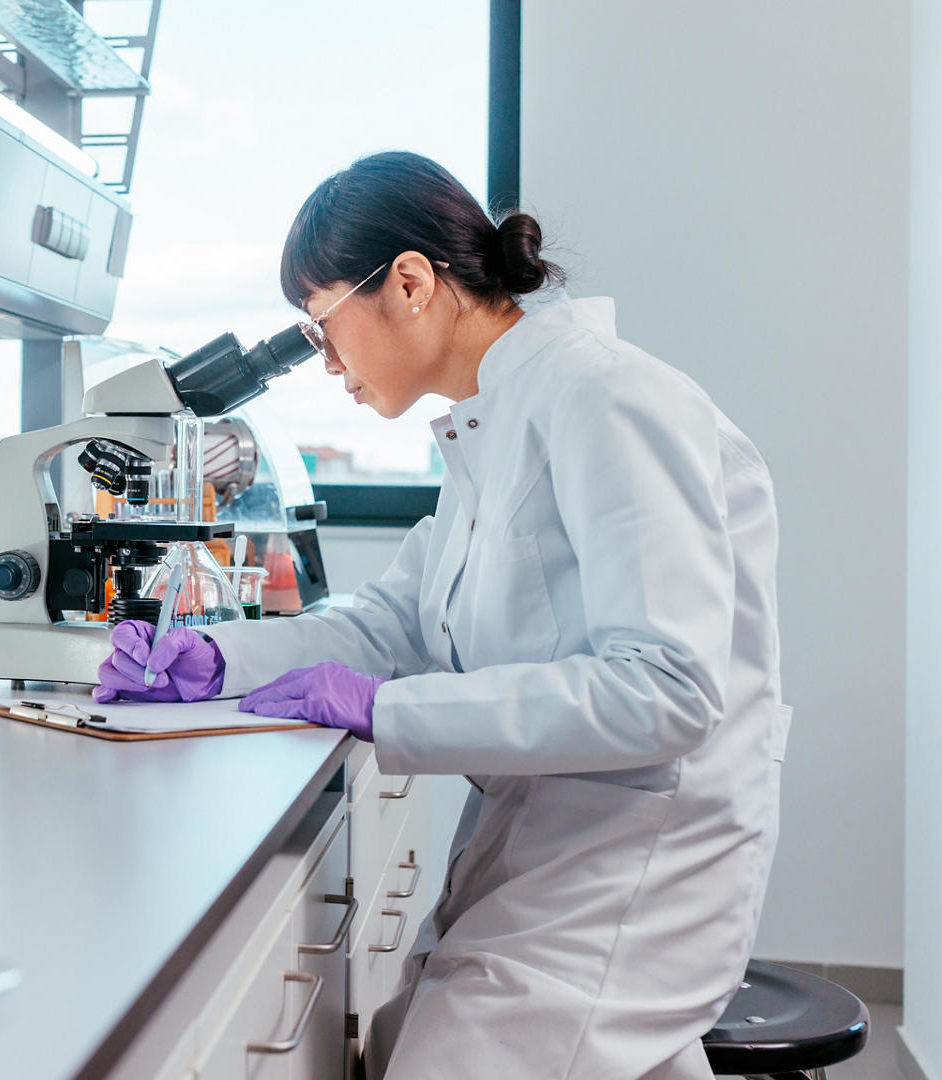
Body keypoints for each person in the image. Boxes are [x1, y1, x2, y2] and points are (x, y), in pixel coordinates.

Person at [97, 151, 785, 1080]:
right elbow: (392, 626)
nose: (326, 360)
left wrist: (389, 712)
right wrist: (221, 658)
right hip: (545, 841)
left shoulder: (606, 398)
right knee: (396, 1042)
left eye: (323, 325)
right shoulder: (491, 429)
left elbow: (668, 690)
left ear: (412, 283)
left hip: (637, 867)